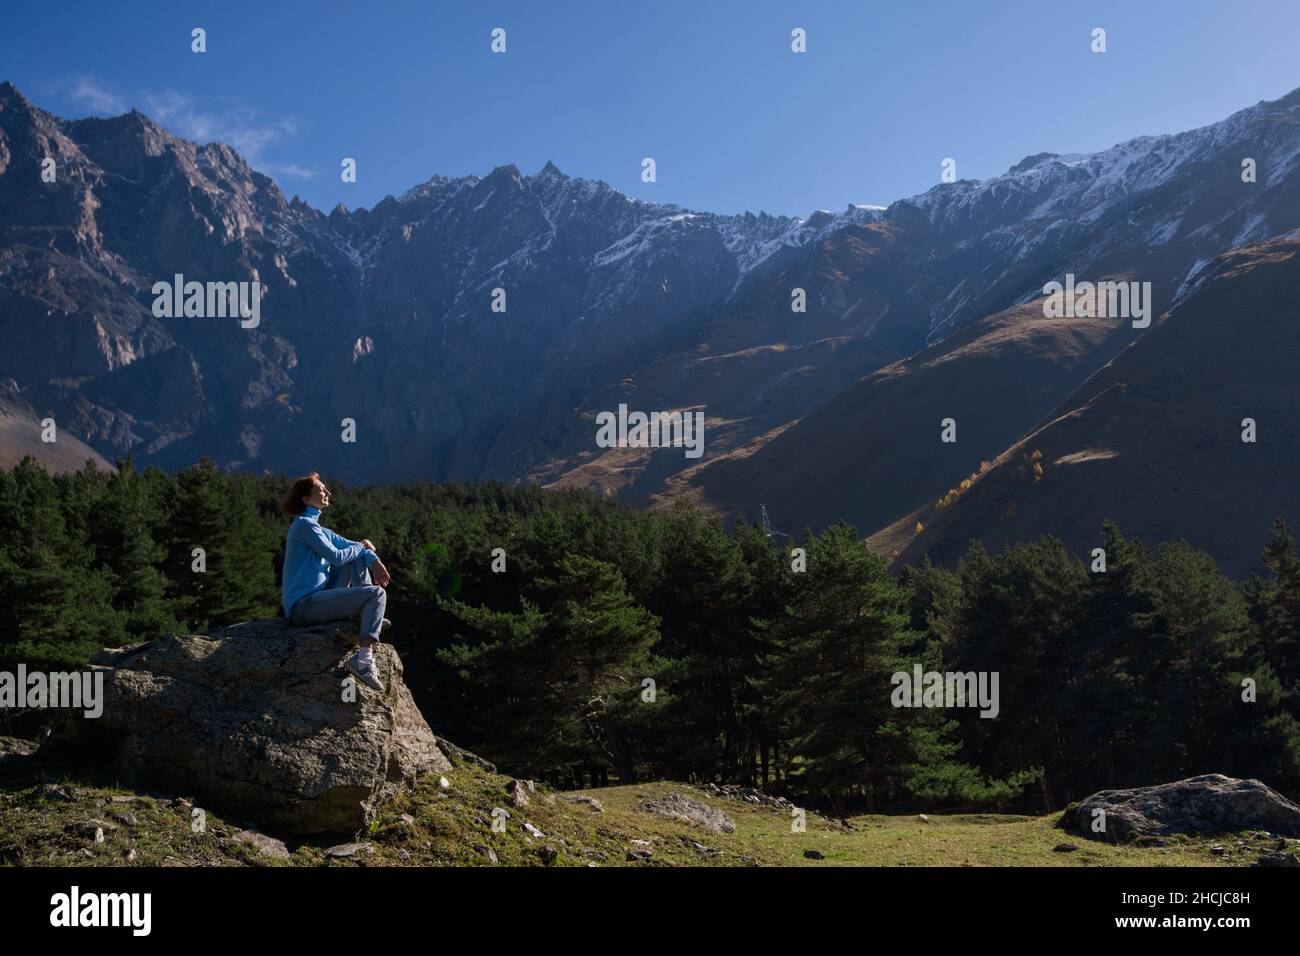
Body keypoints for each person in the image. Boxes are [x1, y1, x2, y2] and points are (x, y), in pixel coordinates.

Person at [279, 472, 392, 691]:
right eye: (321, 489)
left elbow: (356, 549)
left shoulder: (319, 529)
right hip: (302, 607)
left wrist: (374, 560)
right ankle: (364, 662)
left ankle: (365, 616)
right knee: (376, 593)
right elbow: (337, 556)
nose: (328, 492)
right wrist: (363, 546)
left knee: (357, 560)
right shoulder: (304, 525)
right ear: (306, 499)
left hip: (319, 597)